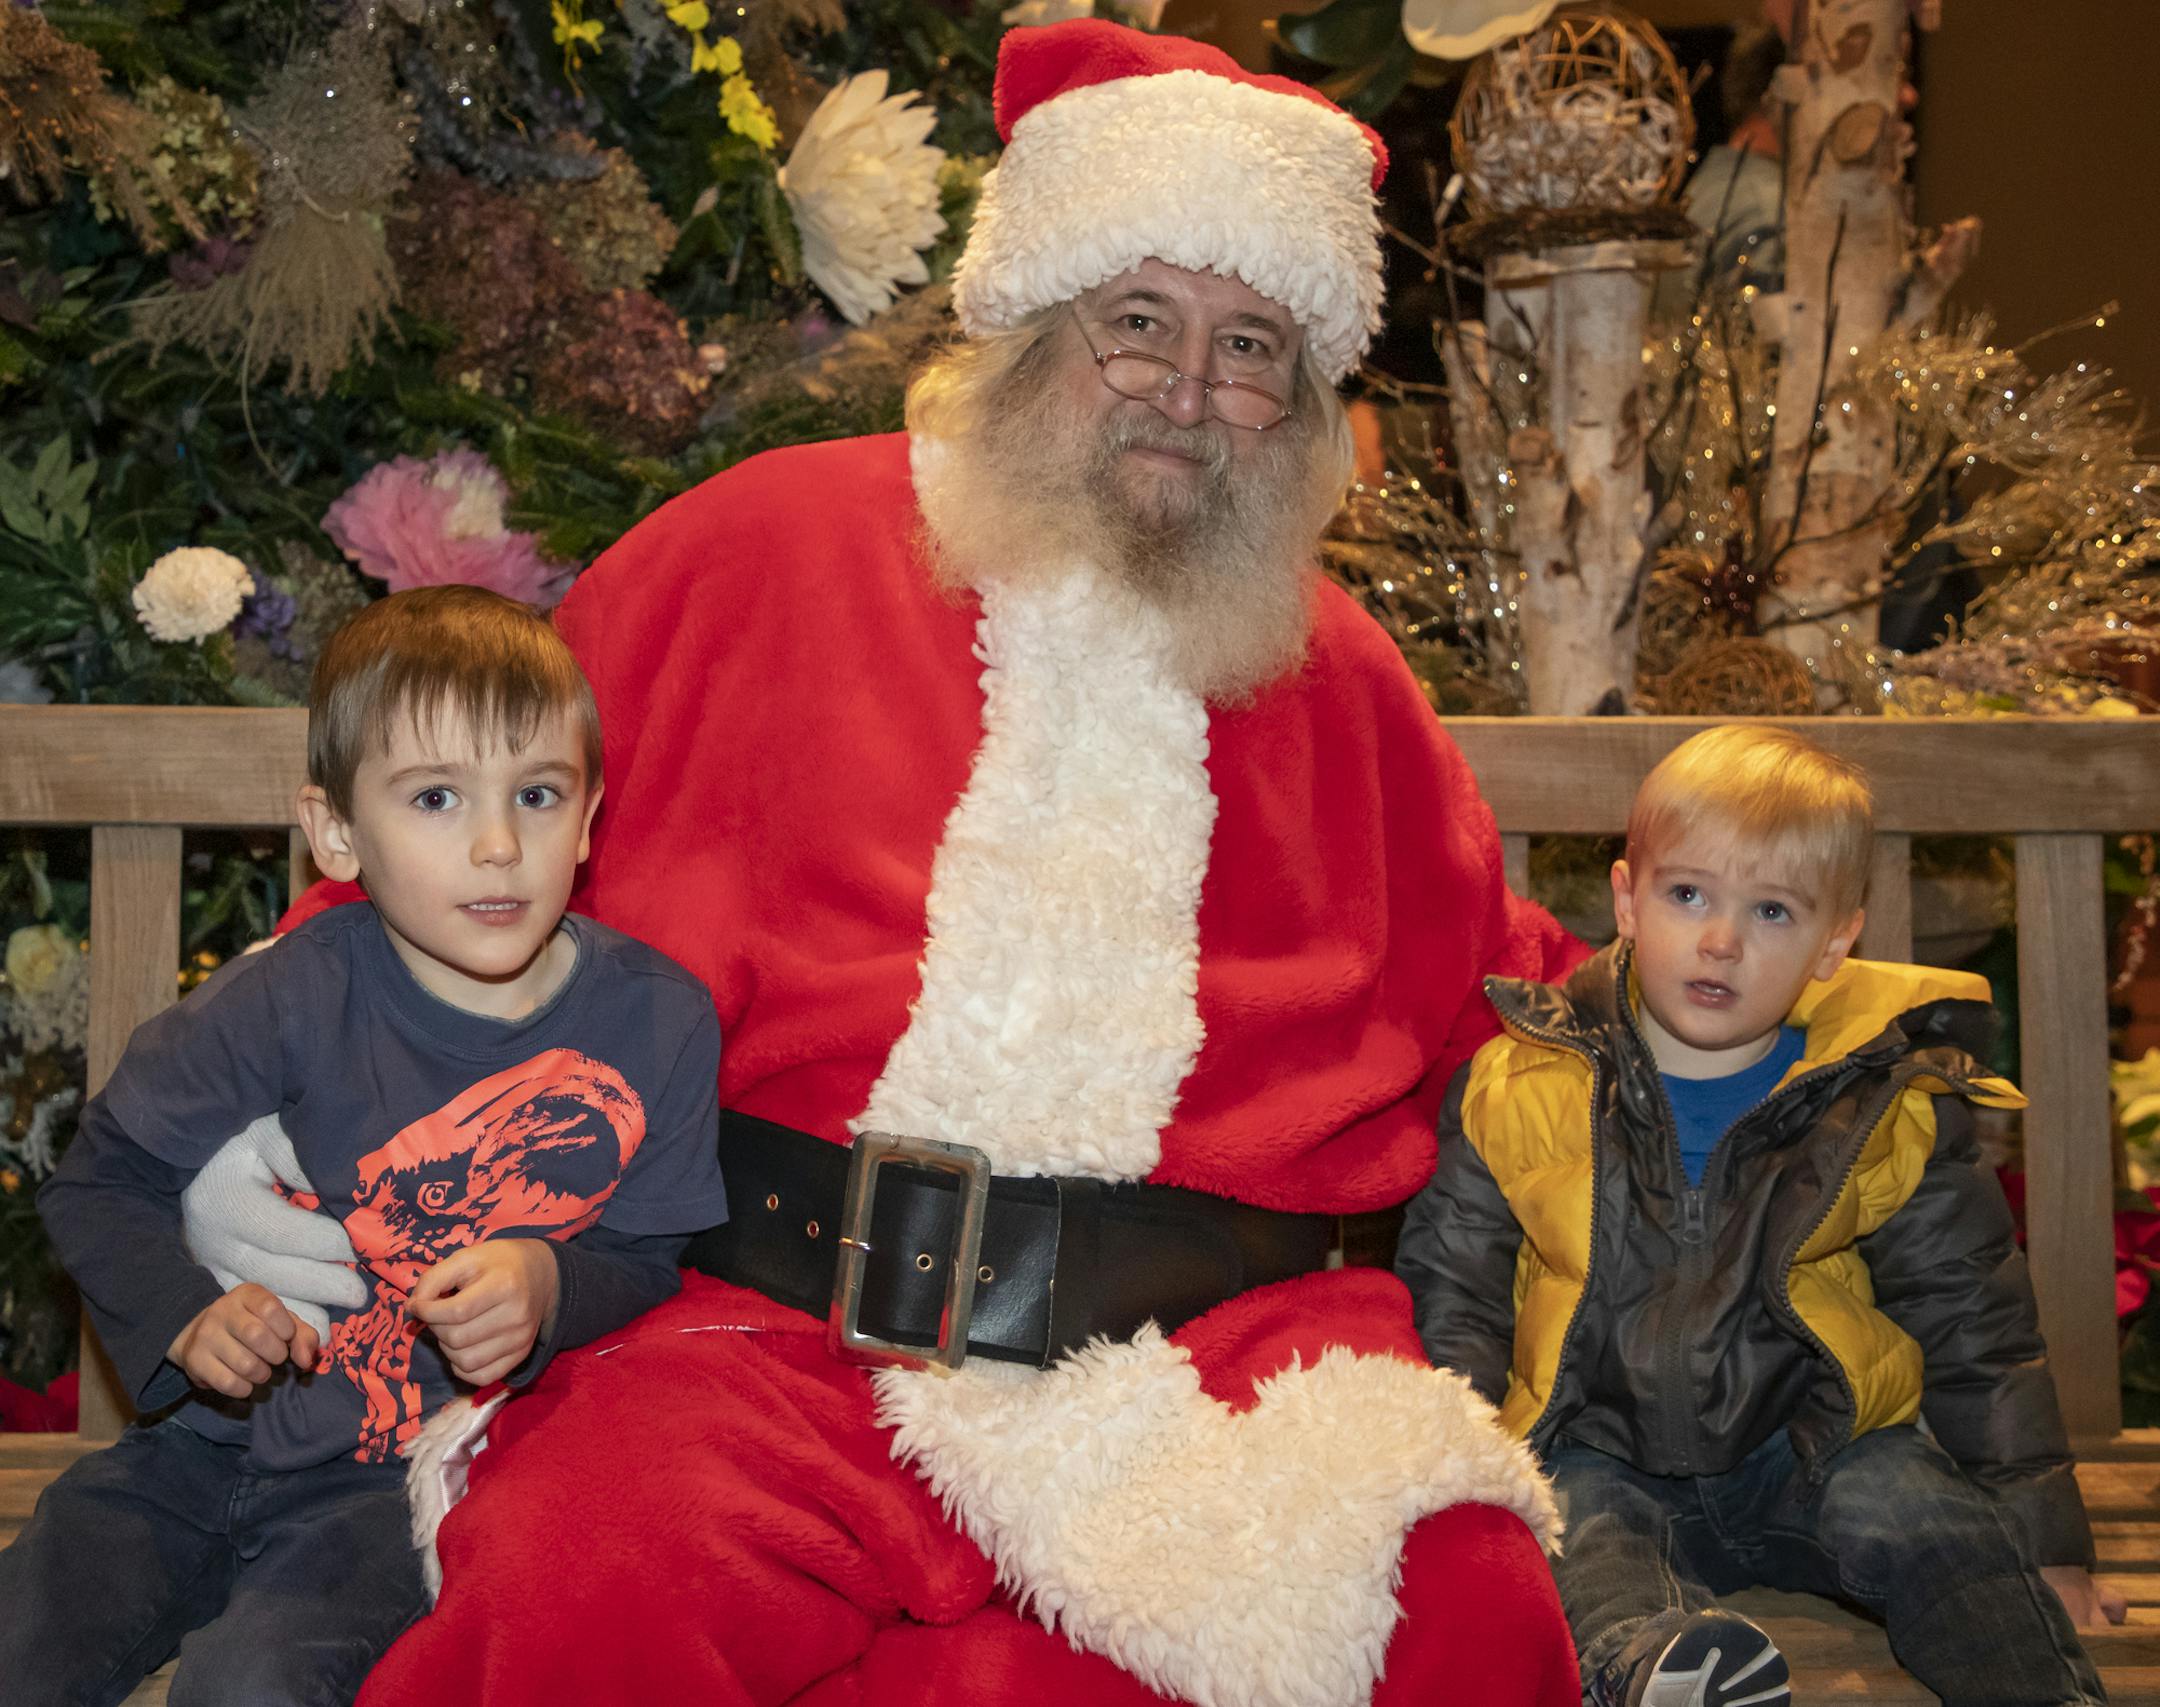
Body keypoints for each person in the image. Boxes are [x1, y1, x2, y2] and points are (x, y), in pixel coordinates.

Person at [186, 20, 1591, 1707]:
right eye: (1136, 323)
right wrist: (262, 1105)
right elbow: (460, 814)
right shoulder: (755, 550)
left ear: (1306, 411)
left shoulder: (1342, 680)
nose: (1187, 390)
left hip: (1215, 1371)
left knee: (1465, 1610)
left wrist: (1740, 1037)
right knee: (590, 1600)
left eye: (1252, 349)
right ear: (1032, 326)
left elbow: (1519, 1004)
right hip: (758, 1334)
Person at [0, 586, 728, 1707]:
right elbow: (102, 1180)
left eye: (538, 794)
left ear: (587, 824)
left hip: (391, 1494)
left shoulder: (656, 1024)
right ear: (336, 832)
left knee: (252, 1688)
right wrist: (188, 1313)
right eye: (435, 797)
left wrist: (548, 1277)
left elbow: (650, 1258)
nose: (497, 845)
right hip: (193, 1453)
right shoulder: (286, 1000)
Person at [1395, 723, 2118, 1707]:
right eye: (1687, 894)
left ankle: (2037, 1682)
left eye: (1771, 910)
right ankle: (1668, 1670)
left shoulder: (1874, 1105)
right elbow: (1456, 1295)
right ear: (1626, 900)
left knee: (1933, 1523)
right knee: (1566, 1544)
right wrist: (1452, 1484)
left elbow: (1975, 1323)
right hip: (1594, 1446)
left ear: (1835, 941)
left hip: (1815, 1447)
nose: (1721, 941)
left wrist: (2050, 1548)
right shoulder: (1521, 1086)